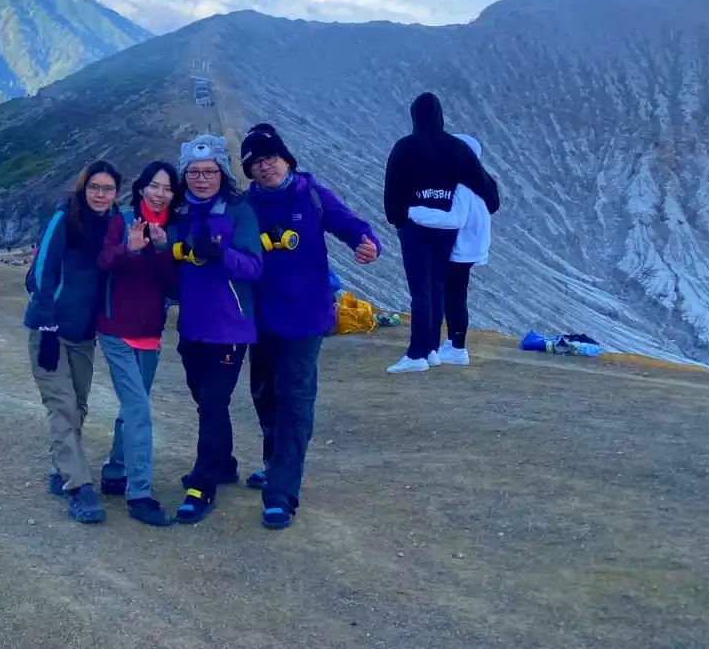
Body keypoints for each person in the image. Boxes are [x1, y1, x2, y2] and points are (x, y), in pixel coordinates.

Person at [240, 123, 380, 530]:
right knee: (264, 393)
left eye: (271, 159)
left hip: (306, 319)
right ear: (249, 170)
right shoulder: (246, 205)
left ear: (286, 160)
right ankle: (274, 461)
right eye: (256, 163)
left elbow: (347, 223)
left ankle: (281, 493)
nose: (265, 167)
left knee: (295, 399)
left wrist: (366, 241)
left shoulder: (312, 195)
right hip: (262, 319)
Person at [168, 135, 264, 524]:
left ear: (222, 173)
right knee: (204, 399)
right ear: (184, 174)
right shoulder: (179, 212)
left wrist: (221, 254)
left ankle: (202, 485)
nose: (202, 179)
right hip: (191, 325)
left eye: (209, 172)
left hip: (229, 327)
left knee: (212, 403)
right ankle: (223, 463)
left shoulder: (240, 212)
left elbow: (255, 267)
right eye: (194, 172)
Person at [24, 161, 122, 524]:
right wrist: (47, 327)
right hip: (49, 332)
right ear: (83, 188)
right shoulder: (64, 219)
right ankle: (79, 487)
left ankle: (60, 469)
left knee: (78, 406)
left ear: (116, 192)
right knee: (63, 407)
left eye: (107, 188)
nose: (100, 194)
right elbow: (39, 274)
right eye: (94, 187)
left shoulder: (116, 224)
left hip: (84, 335)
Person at [382, 93, 501, 374]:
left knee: (420, 290)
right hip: (447, 228)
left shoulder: (406, 147)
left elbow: (393, 185)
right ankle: (433, 350)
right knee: (436, 286)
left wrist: (397, 217)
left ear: (414, 116)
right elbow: (485, 187)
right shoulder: (457, 148)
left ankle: (416, 354)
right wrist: (491, 200)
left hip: (417, 226)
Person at [95, 161, 180, 527]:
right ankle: (140, 494)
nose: (160, 194)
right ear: (142, 187)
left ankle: (115, 472)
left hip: (150, 334)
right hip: (115, 330)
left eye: (167, 188)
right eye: (154, 186)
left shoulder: (171, 230)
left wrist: (163, 249)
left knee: (133, 407)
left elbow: (175, 288)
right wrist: (129, 248)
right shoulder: (121, 219)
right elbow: (102, 262)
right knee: (139, 411)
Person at [408, 133, 492, 366]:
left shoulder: (461, 182)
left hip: (460, 247)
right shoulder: (479, 179)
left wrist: (413, 213)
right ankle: (455, 344)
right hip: (472, 246)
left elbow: (456, 218)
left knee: (451, 297)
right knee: (456, 295)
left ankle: (456, 348)